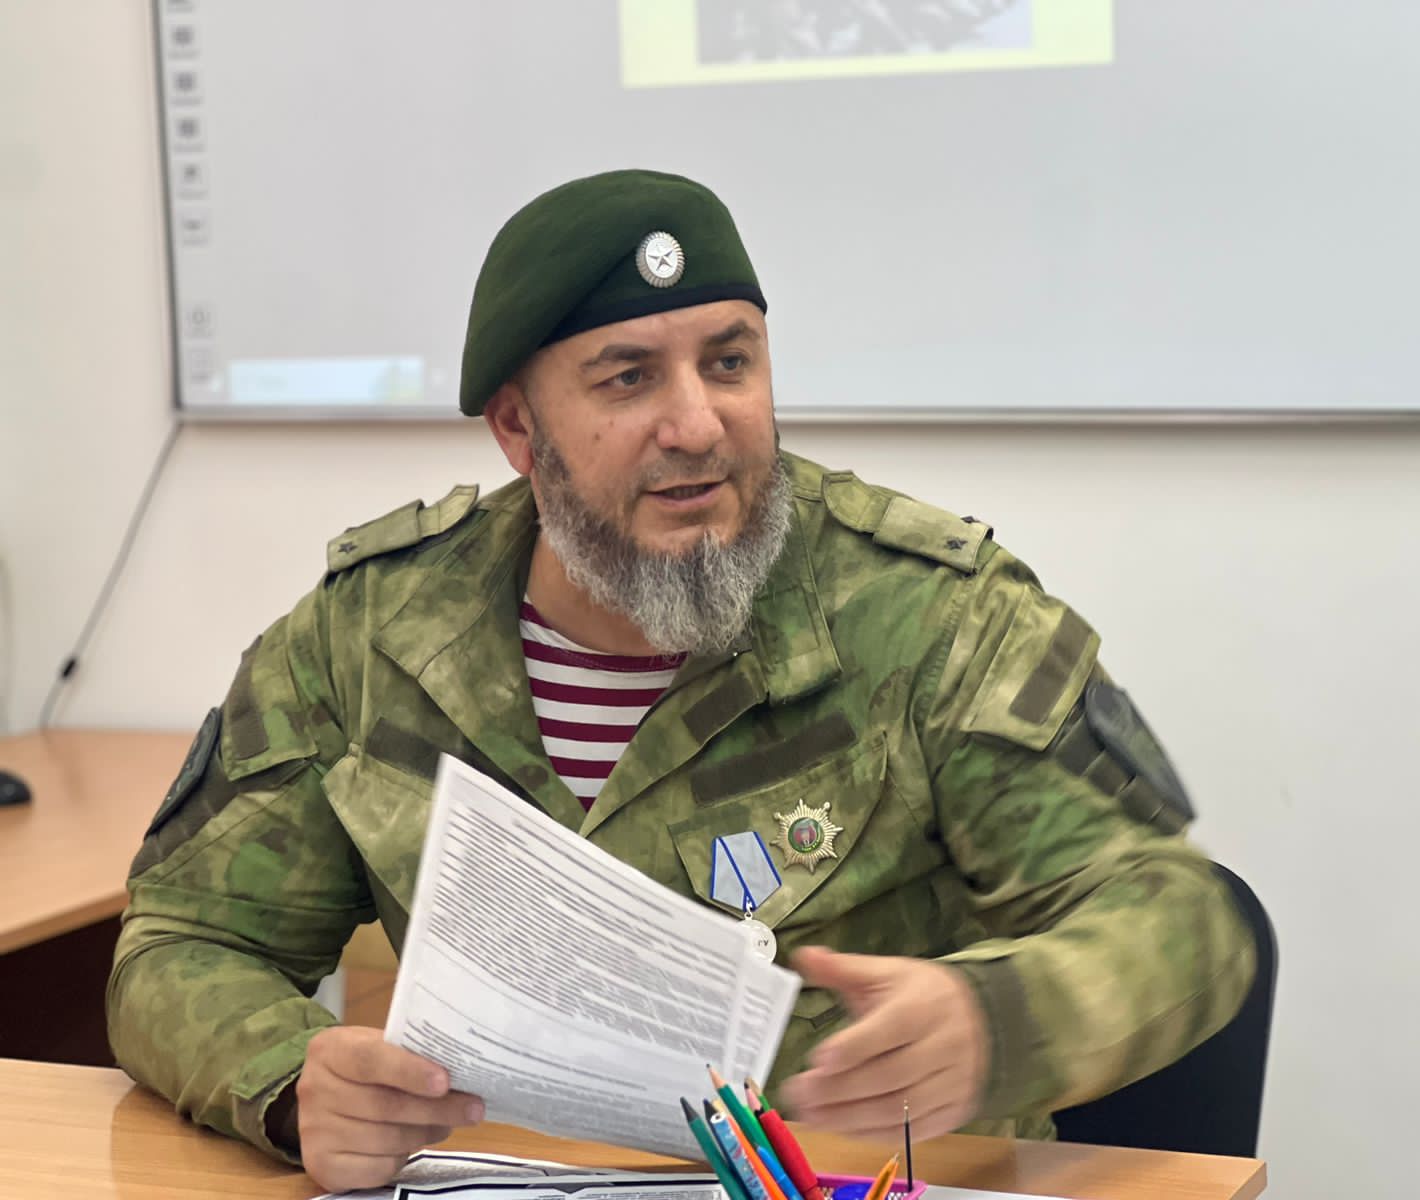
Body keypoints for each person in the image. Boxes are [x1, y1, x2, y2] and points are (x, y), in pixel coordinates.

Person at [108, 169, 1255, 1192]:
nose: (699, 425)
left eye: (729, 362)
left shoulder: (928, 614)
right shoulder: (370, 635)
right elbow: (180, 943)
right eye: (627, 379)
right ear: (518, 429)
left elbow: (1179, 914)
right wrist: (289, 1082)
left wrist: (992, 1020)